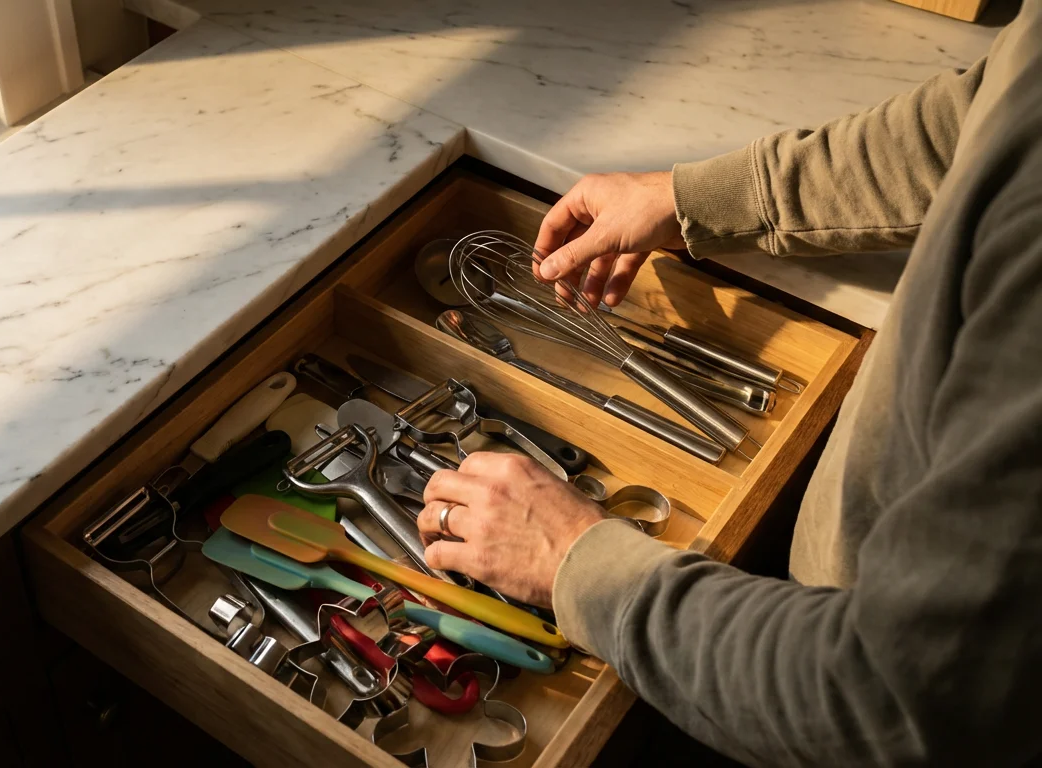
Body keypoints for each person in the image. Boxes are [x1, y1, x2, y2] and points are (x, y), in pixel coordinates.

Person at [416, 3, 1042, 765]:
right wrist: (694, 200)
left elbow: (903, 703)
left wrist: (574, 561)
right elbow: (980, 112)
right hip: (805, 611)